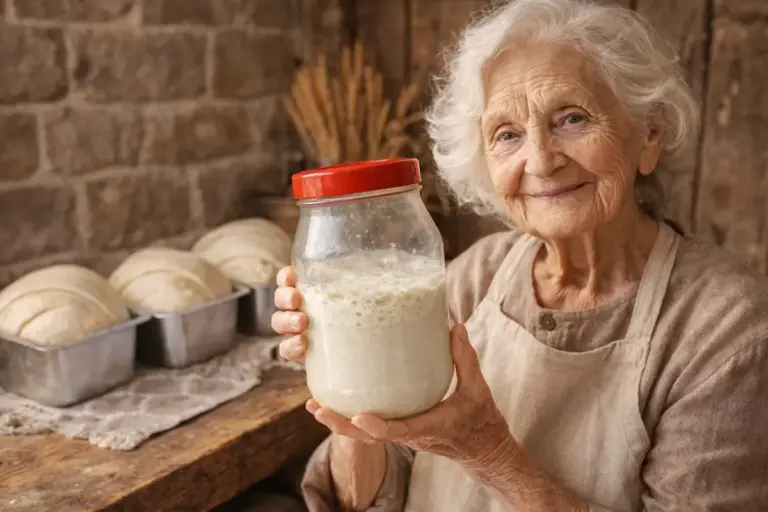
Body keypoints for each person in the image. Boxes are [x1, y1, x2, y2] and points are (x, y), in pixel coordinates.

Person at [271, 0, 768, 510]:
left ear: (649, 134)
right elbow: (365, 499)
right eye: (507, 134)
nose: (540, 161)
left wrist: (488, 452)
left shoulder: (723, 332)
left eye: (572, 118)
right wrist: (351, 382)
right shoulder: (474, 278)